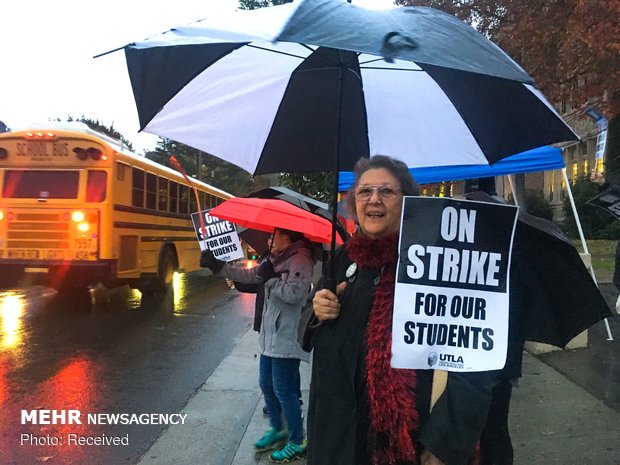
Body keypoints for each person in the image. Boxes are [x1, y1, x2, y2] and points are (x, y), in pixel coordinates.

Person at [308, 155, 494, 465]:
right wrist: (317, 307)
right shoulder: (342, 259)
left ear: (407, 201)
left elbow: (474, 360)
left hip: (411, 443)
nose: (374, 200)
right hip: (339, 440)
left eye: (386, 191)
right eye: (364, 191)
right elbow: (313, 326)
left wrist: (444, 443)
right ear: (354, 201)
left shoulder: (439, 263)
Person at [201, 228, 313, 463]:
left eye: (274, 236)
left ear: (287, 237)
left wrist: (271, 279)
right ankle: (278, 428)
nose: (269, 240)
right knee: (267, 385)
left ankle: (297, 440)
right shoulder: (273, 258)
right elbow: (251, 277)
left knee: (284, 390)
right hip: (269, 336)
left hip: (288, 336)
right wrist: (218, 266)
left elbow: (295, 294)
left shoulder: (300, 260)